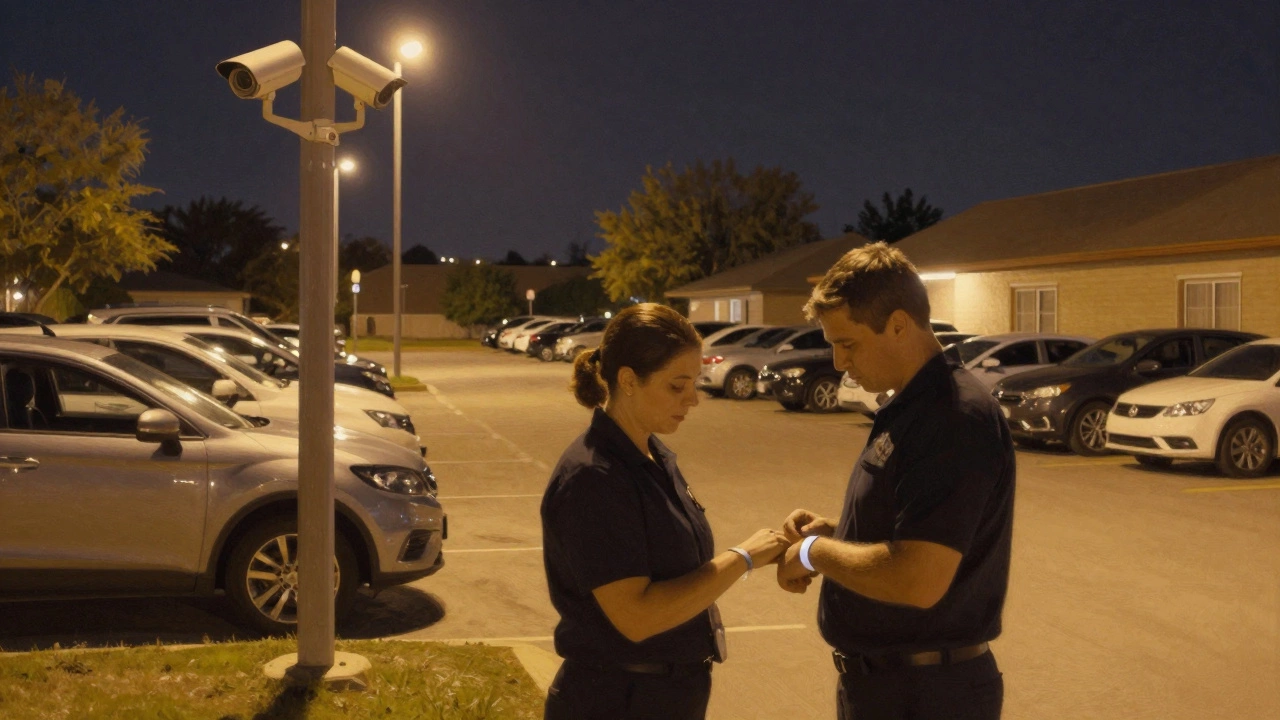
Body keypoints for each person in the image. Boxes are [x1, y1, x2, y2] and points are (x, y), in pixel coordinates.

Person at [776, 242, 1016, 720]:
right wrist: (836, 533)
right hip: (892, 687)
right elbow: (909, 528)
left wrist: (812, 553)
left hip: (924, 696)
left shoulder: (952, 417)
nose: (840, 362)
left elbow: (918, 579)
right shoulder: (911, 406)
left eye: (849, 343)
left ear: (900, 325)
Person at [541, 303, 790, 720]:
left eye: (693, 383)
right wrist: (742, 558)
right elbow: (636, 617)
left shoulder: (652, 456)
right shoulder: (593, 477)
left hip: (661, 696)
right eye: (677, 386)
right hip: (616, 700)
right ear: (628, 381)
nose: (692, 399)